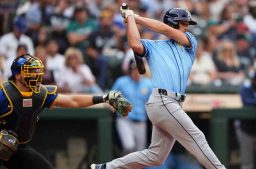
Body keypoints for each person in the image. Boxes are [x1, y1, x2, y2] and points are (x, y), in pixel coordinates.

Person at [91, 6, 225, 169]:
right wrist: (131, 20)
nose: (187, 26)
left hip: (172, 103)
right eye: (183, 23)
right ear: (173, 22)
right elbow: (135, 43)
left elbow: (165, 30)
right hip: (163, 101)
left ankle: (106, 167)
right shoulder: (153, 45)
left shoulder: (190, 42)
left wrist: (135, 17)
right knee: (197, 137)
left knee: (155, 156)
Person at [0, 54, 128, 169]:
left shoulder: (40, 93)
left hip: (17, 148)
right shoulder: (4, 94)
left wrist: (104, 98)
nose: (35, 75)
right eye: (30, 71)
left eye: (36, 71)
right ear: (17, 74)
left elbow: (73, 101)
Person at [113, 57, 152, 155]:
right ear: (130, 70)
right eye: (134, 69)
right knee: (129, 146)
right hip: (124, 119)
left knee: (140, 153)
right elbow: (110, 98)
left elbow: (153, 103)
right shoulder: (121, 81)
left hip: (141, 121)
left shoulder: (148, 84)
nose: (137, 71)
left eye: (139, 69)